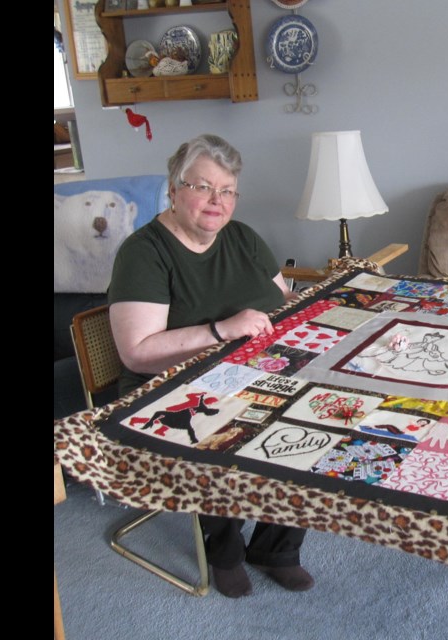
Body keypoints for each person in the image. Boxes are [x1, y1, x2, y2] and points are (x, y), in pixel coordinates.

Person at [108, 134, 313, 598]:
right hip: (169, 388)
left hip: (251, 370)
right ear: (175, 189)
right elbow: (137, 352)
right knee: (224, 427)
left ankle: (276, 547)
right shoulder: (145, 252)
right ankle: (223, 548)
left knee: (320, 409)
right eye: (203, 187)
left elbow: (282, 302)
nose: (216, 201)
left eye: (227, 191)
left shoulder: (242, 237)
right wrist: (223, 330)